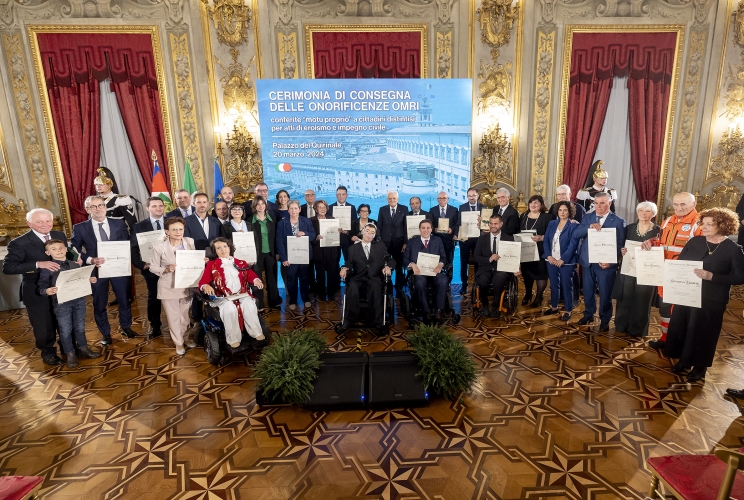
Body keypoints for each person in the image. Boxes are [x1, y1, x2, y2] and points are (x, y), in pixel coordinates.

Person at [663, 208, 744, 382]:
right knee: (684, 327)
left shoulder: (733, 249)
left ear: (723, 225)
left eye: (709, 224)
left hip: (712, 299)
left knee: (704, 332)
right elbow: (680, 264)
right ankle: (684, 361)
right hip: (687, 293)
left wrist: (712, 276)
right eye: (703, 223)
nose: (704, 227)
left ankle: (700, 367)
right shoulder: (695, 241)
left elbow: (740, 277)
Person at [3, 208, 69, 365]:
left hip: (61, 287)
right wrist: (38, 264)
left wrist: (75, 259)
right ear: (29, 223)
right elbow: (8, 268)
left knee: (64, 320)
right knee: (43, 325)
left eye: (48, 221)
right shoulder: (19, 243)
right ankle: (48, 352)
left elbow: (64, 255)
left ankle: (68, 347)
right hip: (36, 291)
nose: (45, 224)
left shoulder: (59, 235)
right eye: (39, 222)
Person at [71, 196, 138, 345]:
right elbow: (74, 251)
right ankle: (105, 334)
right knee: (99, 303)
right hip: (96, 270)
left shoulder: (118, 223)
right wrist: (90, 259)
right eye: (93, 206)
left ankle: (126, 327)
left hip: (118, 268)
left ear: (105, 207)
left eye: (101, 205)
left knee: (124, 300)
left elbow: (126, 243)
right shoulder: (80, 228)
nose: (98, 209)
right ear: (87, 210)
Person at [646, 192, 703, 349]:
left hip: (685, 277)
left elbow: (703, 252)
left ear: (694, 204)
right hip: (665, 274)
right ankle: (665, 339)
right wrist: (651, 242)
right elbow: (661, 242)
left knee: (680, 312)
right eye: (676, 204)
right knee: (665, 309)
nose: (679, 207)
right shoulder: (667, 221)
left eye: (683, 204)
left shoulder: (700, 223)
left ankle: (679, 343)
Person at [37, 239, 102, 368]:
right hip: (62, 303)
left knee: (80, 327)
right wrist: (46, 290)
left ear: (66, 249)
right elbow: (41, 287)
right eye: (54, 249)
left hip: (79, 300)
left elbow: (81, 279)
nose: (58, 251)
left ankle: (83, 348)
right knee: (65, 329)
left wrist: (89, 280)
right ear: (48, 252)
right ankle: (70, 353)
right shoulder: (48, 268)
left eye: (61, 247)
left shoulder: (75, 264)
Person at [198, 237, 266, 348]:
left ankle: (256, 332)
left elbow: (250, 274)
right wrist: (205, 286)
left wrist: (256, 280)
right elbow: (203, 281)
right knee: (229, 307)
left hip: (242, 293)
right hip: (223, 297)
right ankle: (233, 338)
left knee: (248, 303)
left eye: (225, 246)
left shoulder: (241, 263)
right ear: (215, 251)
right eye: (218, 248)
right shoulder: (211, 265)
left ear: (229, 248)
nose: (223, 250)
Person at [572, 192, 626, 331]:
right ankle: (588, 314)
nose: (598, 206)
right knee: (588, 291)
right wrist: (588, 228)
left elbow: (620, 245)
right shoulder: (588, 217)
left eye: (602, 203)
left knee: (605, 293)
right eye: (596, 203)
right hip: (587, 261)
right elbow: (576, 234)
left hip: (606, 264)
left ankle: (605, 319)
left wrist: (612, 262)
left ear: (610, 203)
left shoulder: (619, 221)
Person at [149, 217, 198, 355]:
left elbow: (193, 260)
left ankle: (186, 338)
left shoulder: (190, 242)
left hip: (186, 285)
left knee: (185, 316)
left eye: (180, 229)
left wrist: (201, 260)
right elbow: (153, 267)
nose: (178, 232)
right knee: (173, 317)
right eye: (174, 229)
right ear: (167, 231)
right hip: (168, 287)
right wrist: (166, 269)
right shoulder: (159, 248)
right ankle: (179, 343)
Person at [614, 201, 661, 337]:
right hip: (628, 267)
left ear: (653, 214)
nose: (643, 213)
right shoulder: (629, 228)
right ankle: (621, 325)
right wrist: (622, 250)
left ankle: (637, 329)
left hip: (647, 270)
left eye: (647, 211)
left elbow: (661, 247)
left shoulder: (658, 230)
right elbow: (621, 244)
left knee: (642, 299)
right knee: (625, 296)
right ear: (637, 212)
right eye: (641, 210)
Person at [339, 223, 395, 330]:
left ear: (375, 235)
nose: (370, 234)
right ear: (362, 232)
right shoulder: (353, 248)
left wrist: (388, 267)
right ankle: (349, 320)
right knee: (352, 286)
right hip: (359, 277)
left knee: (375, 285)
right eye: (367, 231)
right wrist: (344, 268)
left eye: (372, 232)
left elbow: (389, 260)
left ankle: (378, 320)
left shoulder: (380, 246)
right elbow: (349, 263)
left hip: (374, 277)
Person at [130, 196, 166, 339]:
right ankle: (155, 325)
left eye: (161, 206)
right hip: (151, 268)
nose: (158, 208)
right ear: (147, 208)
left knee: (177, 297)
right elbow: (133, 248)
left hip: (172, 267)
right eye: (154, 206)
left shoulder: (171, 223)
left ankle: (180, 323)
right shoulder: (138, 226)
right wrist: (141, 264)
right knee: (154, 297)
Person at [473, 213, 519, 318]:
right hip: (486, 268)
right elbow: (476, 257)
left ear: (501, 224)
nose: (493, 226)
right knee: (482, 280)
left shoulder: (509, 238)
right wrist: (489, 259)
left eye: (495, 224)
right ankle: (485, 305)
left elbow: (514, 256)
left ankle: (495, 305)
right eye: (491, 223)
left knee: (498, 279)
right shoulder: (482, 239)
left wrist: (516, 268)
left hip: (502, 268)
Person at [403, 219, 448, 322]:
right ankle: (426, 311)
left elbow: (444, 257)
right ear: (419, 229)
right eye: (423, 228)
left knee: (443, 280)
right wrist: (412, 264)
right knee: (419, 282)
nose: (425, 230)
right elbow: (404, 259)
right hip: (419, 272)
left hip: (434, 271)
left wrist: (440, 265)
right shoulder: (412, 242)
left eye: (428, 228)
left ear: (431, 229)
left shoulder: (438, 240)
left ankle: (439, 310)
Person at [543, 201, 579, 320]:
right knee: (554, 285)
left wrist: (563, 259)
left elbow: (573, 245)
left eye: (565, 210)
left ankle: (568, 310)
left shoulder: (573, 225)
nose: (562, 212)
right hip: (551, 260)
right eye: (560, 210)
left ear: (570, 212)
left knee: (566, 286)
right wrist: (548, 255)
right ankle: (554, 307)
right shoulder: (552, 223)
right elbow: (546, 240)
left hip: (567, 261)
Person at [276, 200, 316, 310]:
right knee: (291, 279)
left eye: (295, 208)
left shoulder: (306, 221)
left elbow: (313, 235)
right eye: (291, 208)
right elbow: (279, 242)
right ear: (288, 210)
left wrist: (305, 233)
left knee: (304, 278)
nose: (293, 210)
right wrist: (284, 258)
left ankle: (306, 299)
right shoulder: (281, 223)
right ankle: (292, 300)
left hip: (304, 256)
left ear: (299, 209)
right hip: (290, 257)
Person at [518, 195, 555, 308]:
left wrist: (542, 237)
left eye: (536, 203)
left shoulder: (547, 217)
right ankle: (528, 294)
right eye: (531, 202)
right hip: (526, 249)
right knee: (527, 274)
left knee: (541, 275)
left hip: (541, 250)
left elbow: (553, 234)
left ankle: (539, 297)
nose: (533, 205)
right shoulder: (523, 216)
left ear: (541, 205)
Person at [250, 196, 281, 309]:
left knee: (272, 278)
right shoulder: (250, 220)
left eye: (262, 204)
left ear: (265, 205)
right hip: (256, 254)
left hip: (271, 253)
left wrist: (277, 252)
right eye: (258, 204)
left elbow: (276, 237)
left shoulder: (272, 218)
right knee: (257, 278)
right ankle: (259, 304)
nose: (261, 206)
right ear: (254, 206)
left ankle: (274, 301)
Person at [310, 200, 341, 301]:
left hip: (331, 251)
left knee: (332, 274)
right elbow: (309, 236)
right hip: (318, 251)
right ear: (316, 209)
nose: (322, 209)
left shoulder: (332, 219)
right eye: (320, 207)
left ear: (327, 208)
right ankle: (321, 295)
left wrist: (338, 232)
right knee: (320, 275)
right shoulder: (311, 221)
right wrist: (316, 238)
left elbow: (335, 235)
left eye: (324, 207)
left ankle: (331, 294)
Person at [377, 191, 407, 290]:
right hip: (385, 243)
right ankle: (387, 289)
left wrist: (405, 243)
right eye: (390, 198)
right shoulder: (382, 209)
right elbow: (379, 226)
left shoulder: (404, 209)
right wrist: (379, 241)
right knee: (384, 266)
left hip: (399, 243)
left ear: (397, 199)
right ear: (387, 199)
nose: (392, 200)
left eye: (394, 198)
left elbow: (406, 227)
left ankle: (399, 289)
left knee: (398, 266)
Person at [459, 187, 485, 296]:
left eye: (473, 195)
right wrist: (458, 234)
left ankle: (477, 284)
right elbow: (458, 223)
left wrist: (482, 223)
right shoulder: (462, 207)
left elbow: (487, 224)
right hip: (465, 239)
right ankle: (464, 285)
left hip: (478, 240)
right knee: (463, 262)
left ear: (477, 196)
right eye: (469, 196)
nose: (471, 198)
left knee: (478, 262)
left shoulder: (484, 208)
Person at [429, 192, 459, 264]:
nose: (442, 200)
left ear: (448, 199)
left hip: (449, 240)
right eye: (440, 198)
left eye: (444, 198)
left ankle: (449, 271)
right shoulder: (432, 210)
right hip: (436, 241)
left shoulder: (454, 210)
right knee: (436, 263)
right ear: (437, 199)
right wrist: (434, 229)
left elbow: (457, 224)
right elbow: (430, 224)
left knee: (449, 262)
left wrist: (452, 230)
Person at [330, 186, 357, 262]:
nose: (341, 196)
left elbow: (355, 224)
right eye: (339, 194)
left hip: (347, 239)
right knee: (334, 261)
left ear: (346, 195)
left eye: (343, 194)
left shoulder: (352, 208)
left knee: (349, 260)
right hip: (334, 239)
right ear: (336, 195)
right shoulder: (330, 207)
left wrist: (348, 232)